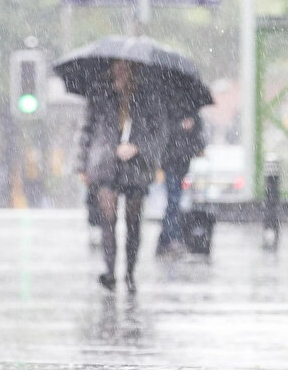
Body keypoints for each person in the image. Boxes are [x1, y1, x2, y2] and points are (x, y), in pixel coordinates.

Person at [78, 59, 168, 293]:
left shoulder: (147, 95)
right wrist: (83, 164)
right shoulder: (100, 93)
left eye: (126, 66)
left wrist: (138, 146)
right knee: (108, 218)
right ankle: (110, 271)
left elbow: (158, 131)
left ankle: (129, 272)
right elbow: (87, 130)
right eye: (117, 66)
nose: (120, 70)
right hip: (106, 164)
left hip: (135, 167)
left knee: (132, 220)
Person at [156, 111, 205, 256]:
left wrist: (192, 125)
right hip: (171, 164)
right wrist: (180, 126)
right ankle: (170, 238)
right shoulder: (169, 112)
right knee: (174, 201)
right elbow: (163, 133)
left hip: (182, 165)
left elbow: (197, 134)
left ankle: (166, 238)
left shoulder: (192, 113)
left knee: (174, 202)